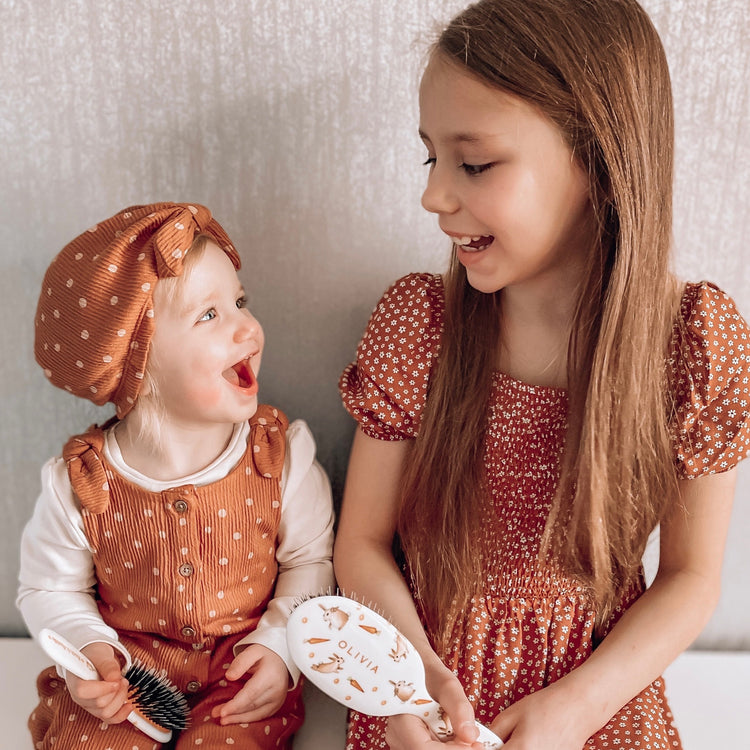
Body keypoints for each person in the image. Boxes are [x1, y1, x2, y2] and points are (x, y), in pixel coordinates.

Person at [334, 1, 749, 748]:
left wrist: (577, 708)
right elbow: (360, 544)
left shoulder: (691, 342)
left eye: (476, 162)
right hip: (423, 694)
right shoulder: (420, 322)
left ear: (598, 157)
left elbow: (692, 579)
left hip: (596, 692)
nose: (433, 195)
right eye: (431, 156)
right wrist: (405, 683)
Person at [18, 202, 335, 749]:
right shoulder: (82, 482)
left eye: (239, 301)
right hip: (127, 683)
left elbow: (310, 561)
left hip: (238, 680)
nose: (247, 328)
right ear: (136, 365)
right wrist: (89, 654)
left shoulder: (280, 456)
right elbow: (49, 588)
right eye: (208, 315)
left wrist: (280, 647)